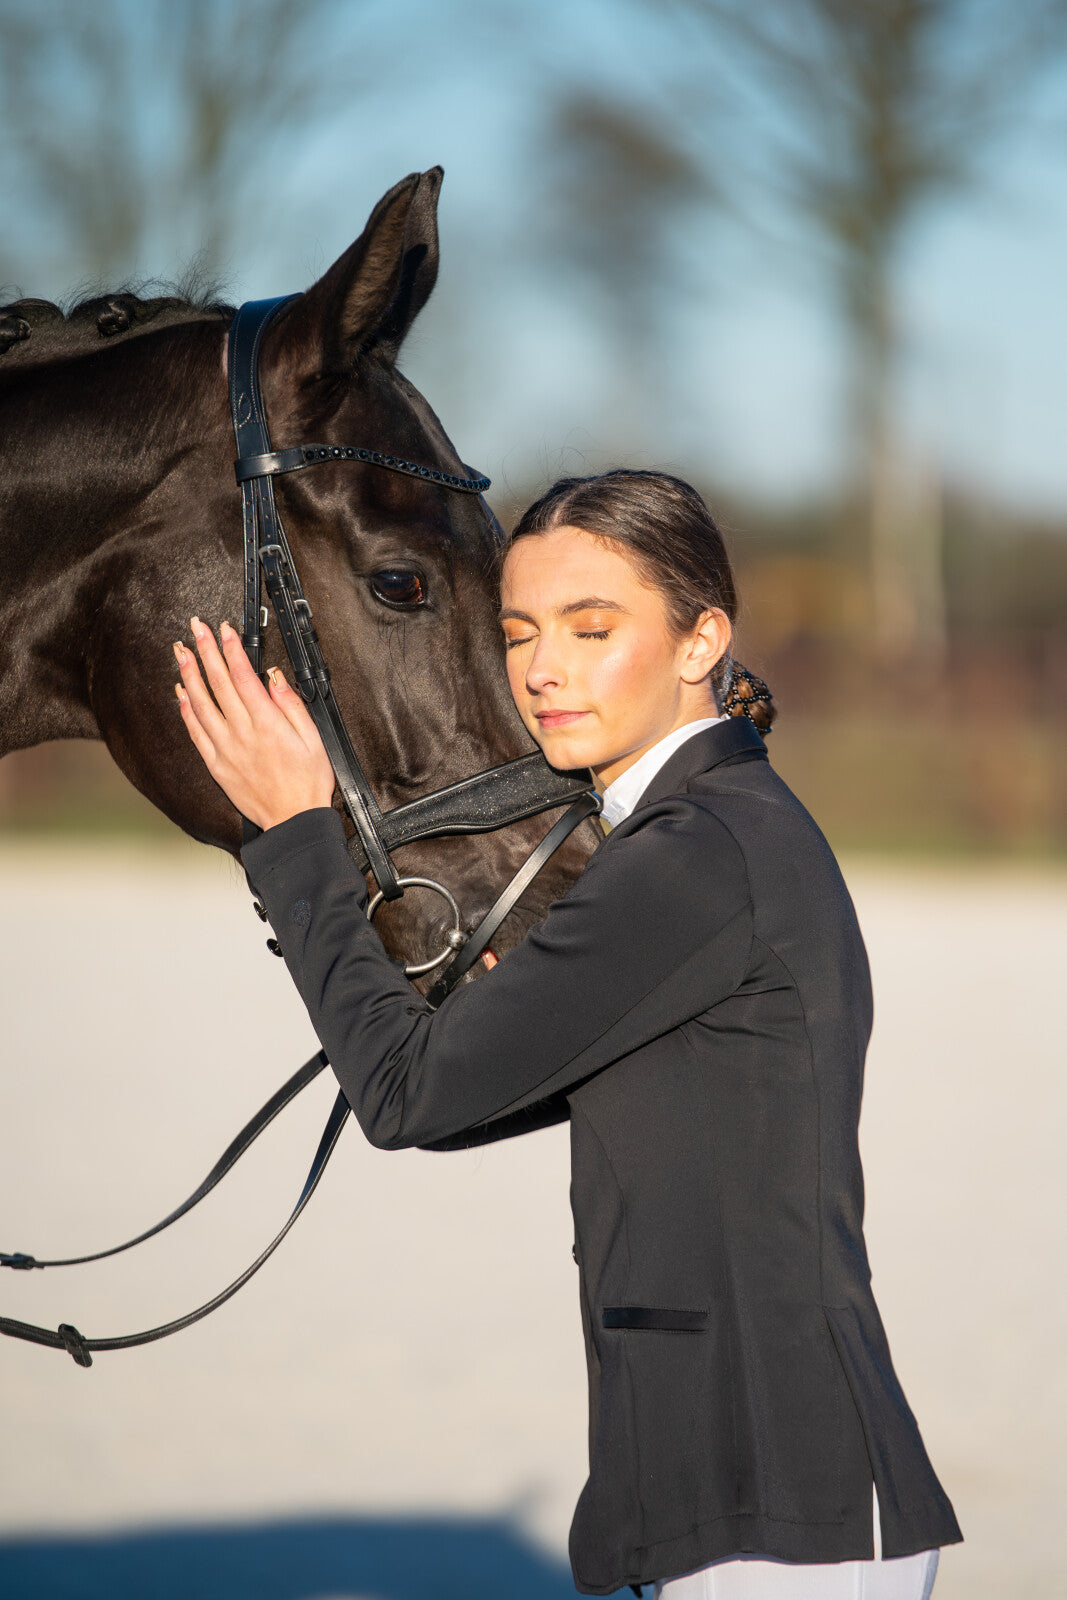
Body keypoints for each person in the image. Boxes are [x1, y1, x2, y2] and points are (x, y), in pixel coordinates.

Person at [172, 468, 961, 1599]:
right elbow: (454, 1095)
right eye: (518, 633)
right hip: (739, 1499)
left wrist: (296, 832)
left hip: (780, 1515)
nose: (542, 669)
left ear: (701, 641)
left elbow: (405, 1094)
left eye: (592, 630)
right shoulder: (697, 835)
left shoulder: (696, 853)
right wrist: (481, 1028)